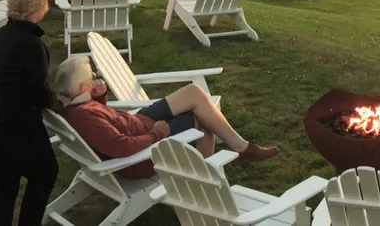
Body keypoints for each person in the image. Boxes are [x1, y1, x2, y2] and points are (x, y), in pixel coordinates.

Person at [54, 56, 278, 179]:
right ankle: (206, 182)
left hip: (139, 123)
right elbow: (119, 146)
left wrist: (100, 96)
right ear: (83, 86)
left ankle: (241, 147)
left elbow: (104, 122)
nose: (95, 78)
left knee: (193, 93)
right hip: (142, 154)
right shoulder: (83, 116)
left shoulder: (77, 102)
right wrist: (156, 135)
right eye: (91, 77)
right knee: (202, 121)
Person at [0, 0, 59, 226]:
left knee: (5, 179)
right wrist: (62, 104)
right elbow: (38, 91)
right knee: (45, 172)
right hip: (17, 122)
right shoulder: (32, 44)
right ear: (38, 7)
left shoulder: (1, 35)